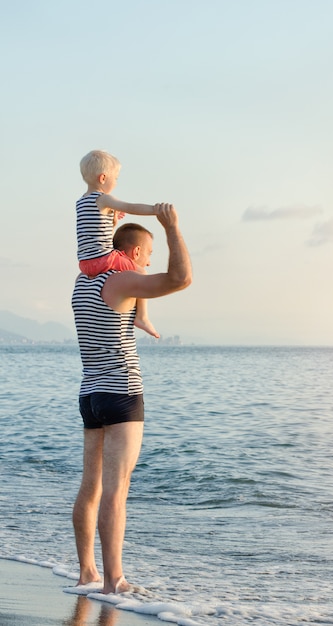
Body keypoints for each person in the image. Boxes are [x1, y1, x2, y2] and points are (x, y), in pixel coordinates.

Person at [71, 204, 192, 594]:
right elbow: (181, 278)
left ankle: (87, 572)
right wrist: (172, 227)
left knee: (90, 486)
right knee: (116, 490)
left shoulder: (82, 282)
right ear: (136, 254)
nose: (149, 262)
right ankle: (114, 580)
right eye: (148, 255)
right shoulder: (120, 282)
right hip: (121, 392)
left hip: (90, 393)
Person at [77, 149, 159, 338]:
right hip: (102, 258)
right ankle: (142, 316)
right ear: (103, 178)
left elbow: (94, 234)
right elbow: (130, 207)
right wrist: (155, 210)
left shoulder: (81, 202)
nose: (116, 182)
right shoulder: (103, 198)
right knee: (140, 272)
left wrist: (112, 223)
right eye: (116, 178)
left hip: (85, 263)